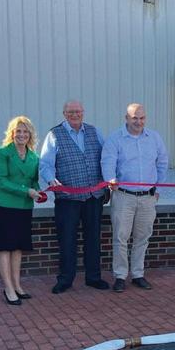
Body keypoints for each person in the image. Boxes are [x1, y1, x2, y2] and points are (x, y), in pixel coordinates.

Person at [40, 101, 110, 294]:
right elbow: (45, 164)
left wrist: (109, 180)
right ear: (64, 113)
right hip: (67, 198)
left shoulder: (94, 132)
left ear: (83, 112)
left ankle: (93, 277)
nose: (75, 114)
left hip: (93, 196)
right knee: (67, 240)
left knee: (93, 239)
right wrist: (51, 179)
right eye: (70, 112)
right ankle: (65, 279)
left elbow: (106, 158)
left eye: (77, 111)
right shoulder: (54, 134)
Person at [101, 103, 168, 293]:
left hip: (147, 197)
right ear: (126, 118)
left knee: (142, 238)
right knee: (120, 238)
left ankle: (138, 274)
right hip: (123, 196)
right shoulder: (115, 139)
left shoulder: (154, 138)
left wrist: (158, 188)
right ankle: (120, 275)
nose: (139, 122)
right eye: (134, 118)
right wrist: (110, 179)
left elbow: (162, 162)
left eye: (142, 118)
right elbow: (107, 162)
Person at [0, 116, 41, 305]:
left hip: (24, 207)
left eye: (25, 131)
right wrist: (27, 191)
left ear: (30, 135)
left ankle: (17, 285)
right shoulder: (3, 153)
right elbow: (2, 181)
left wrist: (38, 191)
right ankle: (8, 288)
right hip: (5, 205)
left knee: (17, 247)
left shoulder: (34, 156)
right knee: (4, 247)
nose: (22, 135)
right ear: (12, 133)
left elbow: (34, 181)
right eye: (18, 131)